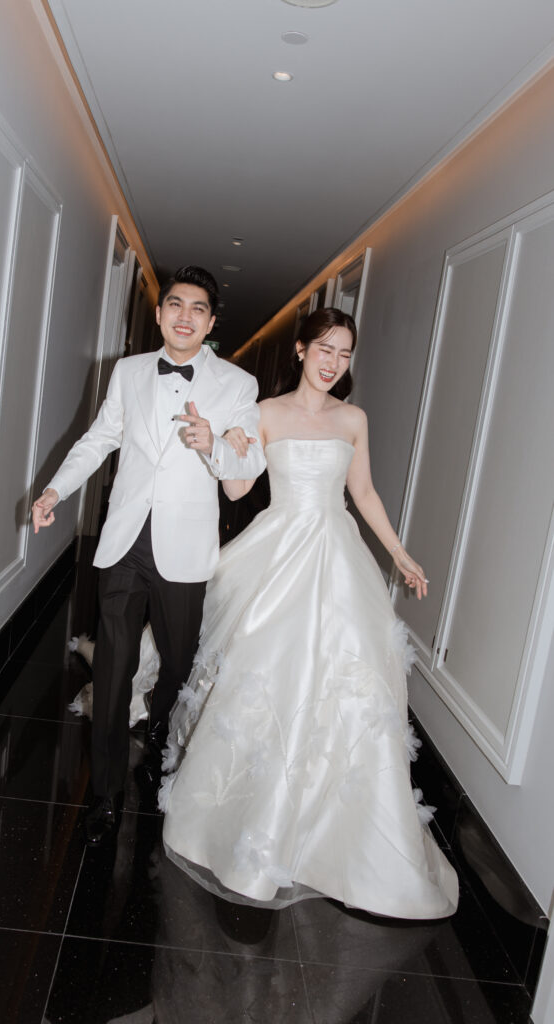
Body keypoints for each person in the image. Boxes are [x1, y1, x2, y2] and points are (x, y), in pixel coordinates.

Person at [158, 307, 459, 919]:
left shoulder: (353, 418)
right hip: (278, 552)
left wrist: (399, 554)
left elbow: (363, 492)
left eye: (344, 354)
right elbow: (239, 489)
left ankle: (334, 833)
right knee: (268, 676)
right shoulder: (265, 412)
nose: (333, 363)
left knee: (344, 680)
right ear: (300, 349)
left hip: (337, 556)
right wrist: (218, 444)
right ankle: (248, 819)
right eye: (324, 349)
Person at [32, 266, 266, 846]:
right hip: (125, 541)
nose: (185, 316)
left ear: (210, 323)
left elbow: (248, 466)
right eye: (175, 305)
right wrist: (56, 490)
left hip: (185, 548)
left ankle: (161, 731)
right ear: (160, 314)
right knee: (113, 668)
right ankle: (105, 795)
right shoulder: (129, 371)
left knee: (178, 663)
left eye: (197, 309)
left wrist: (215, 445)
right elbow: (100, 438)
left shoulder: (238, 384)